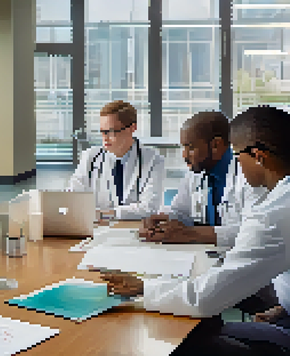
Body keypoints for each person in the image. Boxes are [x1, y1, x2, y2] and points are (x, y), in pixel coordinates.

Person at [101, 105, 290, 355]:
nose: (237, 162)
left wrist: (143, 288)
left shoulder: (276, 213)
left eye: (237, 154)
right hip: (282, 313)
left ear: (258, 156)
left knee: (189, 336)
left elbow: (203, 300)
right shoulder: (280, 199)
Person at [140, 110, 267, 247]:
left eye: (190, 147)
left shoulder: (249, 176)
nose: (184, 155)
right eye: (183, 147)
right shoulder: (196, 172)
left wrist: (191, 234)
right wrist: (163, 220)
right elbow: (181, 212)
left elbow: (255, 232)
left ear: (216, 145)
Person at [67, 100, 165, 220]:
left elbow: (149, 208)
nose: (105, 138)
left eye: (111, 131)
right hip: (96, 230)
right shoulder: (90, 157)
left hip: (134, 229)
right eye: (102, 132)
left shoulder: (153, 160)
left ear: (132, 128)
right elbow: (72, 198)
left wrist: (106, 214)